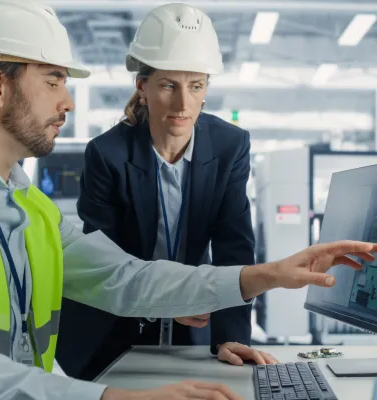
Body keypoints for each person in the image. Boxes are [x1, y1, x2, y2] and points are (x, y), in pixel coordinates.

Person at [0, 1, 375, 400]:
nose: (69, 101)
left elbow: (125, 277)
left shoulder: (33, 209)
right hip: (107, 338)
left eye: (196, 85)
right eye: (53, 80)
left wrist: (270, 275)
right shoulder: (107, 153)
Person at [57, 3, 261, 380]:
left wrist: (230, 336)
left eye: (195, 86)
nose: (183, 103)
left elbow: (234, 245)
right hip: (114, 323)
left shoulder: (230, 146)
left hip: (195, 318)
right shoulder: (107, 154)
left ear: (205, 90)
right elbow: (105, 260)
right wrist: (163, 300)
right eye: (169, 85)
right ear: (143, 87)